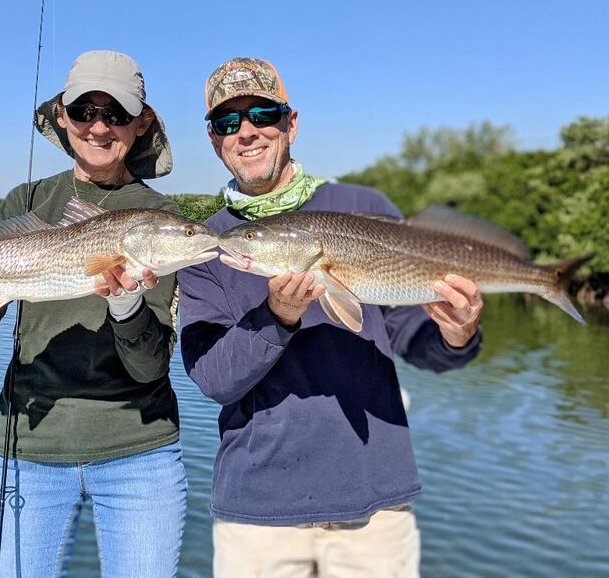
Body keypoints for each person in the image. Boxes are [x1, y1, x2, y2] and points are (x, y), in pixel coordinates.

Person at [178, 57, 484, 577]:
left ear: (290, 123)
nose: (246, 132)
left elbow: (411, 336)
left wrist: (458, 335)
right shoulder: (209, 245)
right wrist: (277, 318)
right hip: (258, 513)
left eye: (261, 114)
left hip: (374, 502)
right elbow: (214, 378)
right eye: (227, 122)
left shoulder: (361, 206)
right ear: (214, 141)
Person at [0, 50, 187, 577]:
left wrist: (126, 303)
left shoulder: (164, 220)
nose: (99, 126)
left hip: (139, 451)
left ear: (142, 121)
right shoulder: (29, 198)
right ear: (62, 115)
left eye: (117, 113)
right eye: (85, 111)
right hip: (30, 448)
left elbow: (151, 365)